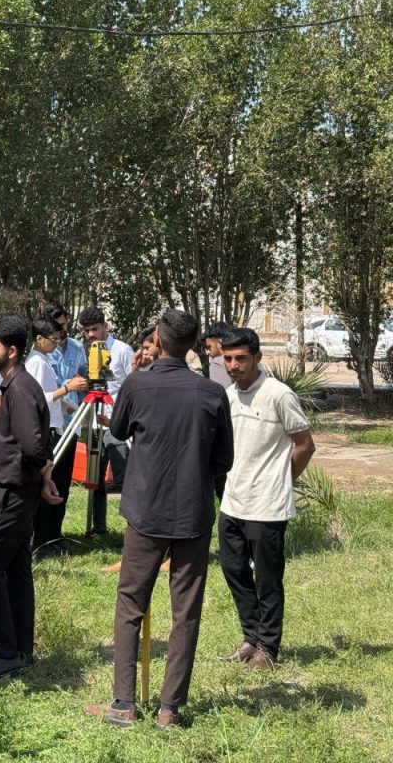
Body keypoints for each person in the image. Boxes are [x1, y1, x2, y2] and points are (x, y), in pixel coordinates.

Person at [84, 309, 233, 729]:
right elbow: (224, 458)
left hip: (145, 511)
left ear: (158, 340)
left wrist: (137, 377)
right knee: (186, 610)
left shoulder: (138, 384)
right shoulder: (212, 393)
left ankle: (123, 703)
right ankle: (170, 709)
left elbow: (117, 430)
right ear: (193, 345)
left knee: (130, 603)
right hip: (193, 513)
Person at [218, 328, 315, 671]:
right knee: (233, 569)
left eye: (241, 358)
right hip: (233, 500)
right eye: (228, 358)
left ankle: (268, 648)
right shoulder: (227, 396)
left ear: (258, 358)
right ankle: (251, 637)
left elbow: (305, 445)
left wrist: (282, 481)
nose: (234, 365)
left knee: (268, 579)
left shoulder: (279, 394)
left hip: (267, 505)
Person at [0, 316, 54, 678]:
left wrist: (38, 470)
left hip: (10, 492)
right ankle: (21, 648)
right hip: (16, 489)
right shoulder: (18, 385)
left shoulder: (20, 388)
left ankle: (6, 652)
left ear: (12, 351)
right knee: (16, 568)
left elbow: (33, 446)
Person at [77, 306, 134, 535]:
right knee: (95, 477)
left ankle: (133, 528)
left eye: (95, 329)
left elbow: (134, 385)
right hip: (95, 423)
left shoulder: (122, 350)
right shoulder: (87, 351)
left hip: (116, 423)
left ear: (105, 327)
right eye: (87, 330)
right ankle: (98, 526)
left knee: (124, 476)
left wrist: (123, 419)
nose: (91, 334)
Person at [41, 303, 90, 541]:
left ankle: (56, 534)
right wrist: (68, 386)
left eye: (63, 325)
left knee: (63, 480)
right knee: (48, 478)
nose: (61, 331)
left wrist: (85, 384)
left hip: (72, 421)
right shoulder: (44, 353)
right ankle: (43, 534)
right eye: (56, 327)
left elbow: (83, 376)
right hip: (51, 423)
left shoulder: (78, 347)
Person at [24, 319, 72, 558]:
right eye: (53, 340)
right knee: (48, 486)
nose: (56, 344)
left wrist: (68, 403)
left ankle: (52, 536)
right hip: (48, 431)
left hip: (55, 425)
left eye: (58, 339)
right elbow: (37, 397)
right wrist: (67, 389)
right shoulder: (36, 363)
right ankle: (42, 540)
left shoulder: (43, 361)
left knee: (58, 484)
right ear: (39, 339)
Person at [203, 322, 232, 387]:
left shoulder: (217, 363)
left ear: (220, 343)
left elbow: (222, 391)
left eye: (209, 347)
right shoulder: (246, 359)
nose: (207, 352)